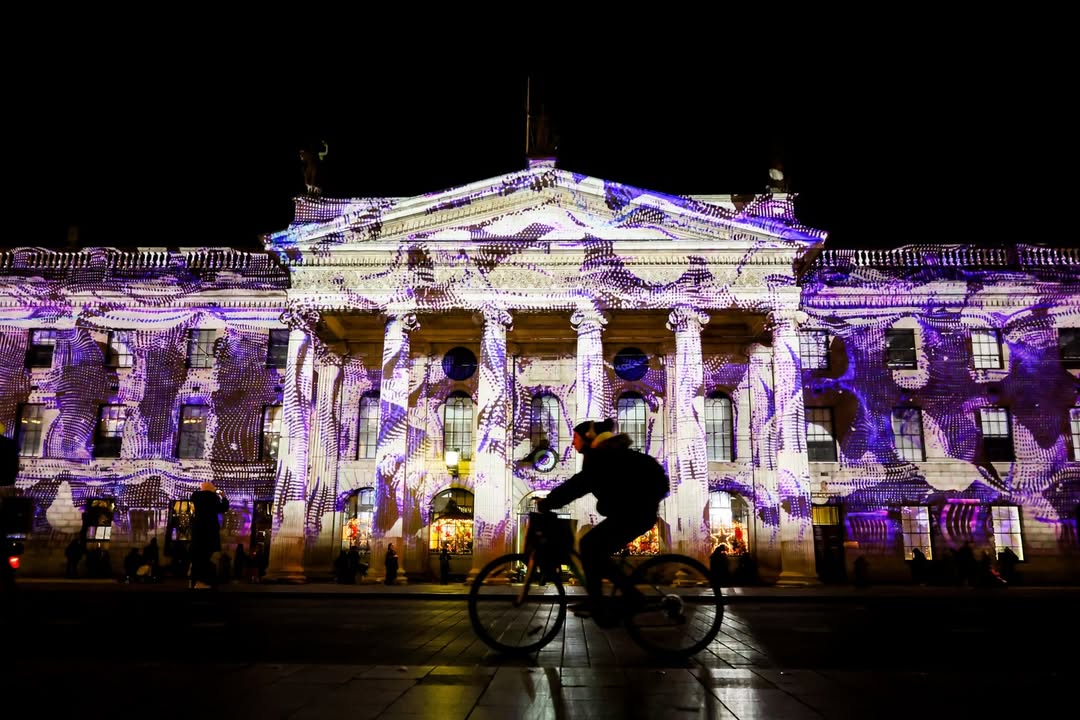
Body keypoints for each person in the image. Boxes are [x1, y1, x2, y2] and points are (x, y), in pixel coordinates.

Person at [536, 418, 670, 622]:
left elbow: (579, 484)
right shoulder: (605, 454)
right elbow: (584, 484)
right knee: (594, 548)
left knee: (590, 546)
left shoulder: (603, 456)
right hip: (632, 512)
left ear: (588, 438)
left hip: (636, 513)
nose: (573, 443)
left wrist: (550, 502)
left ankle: (613, 599)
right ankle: (613, 598)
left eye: (575, 438)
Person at [189, 481, 229, 589]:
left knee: (198, 556)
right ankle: (202, 581)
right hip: (209, 530)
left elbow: (192, 507)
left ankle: (196, 581)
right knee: (206, 556)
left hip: (198, 530)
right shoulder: (213, 497)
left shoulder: (195, 496)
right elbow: (223, 508)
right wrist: (223, 497)